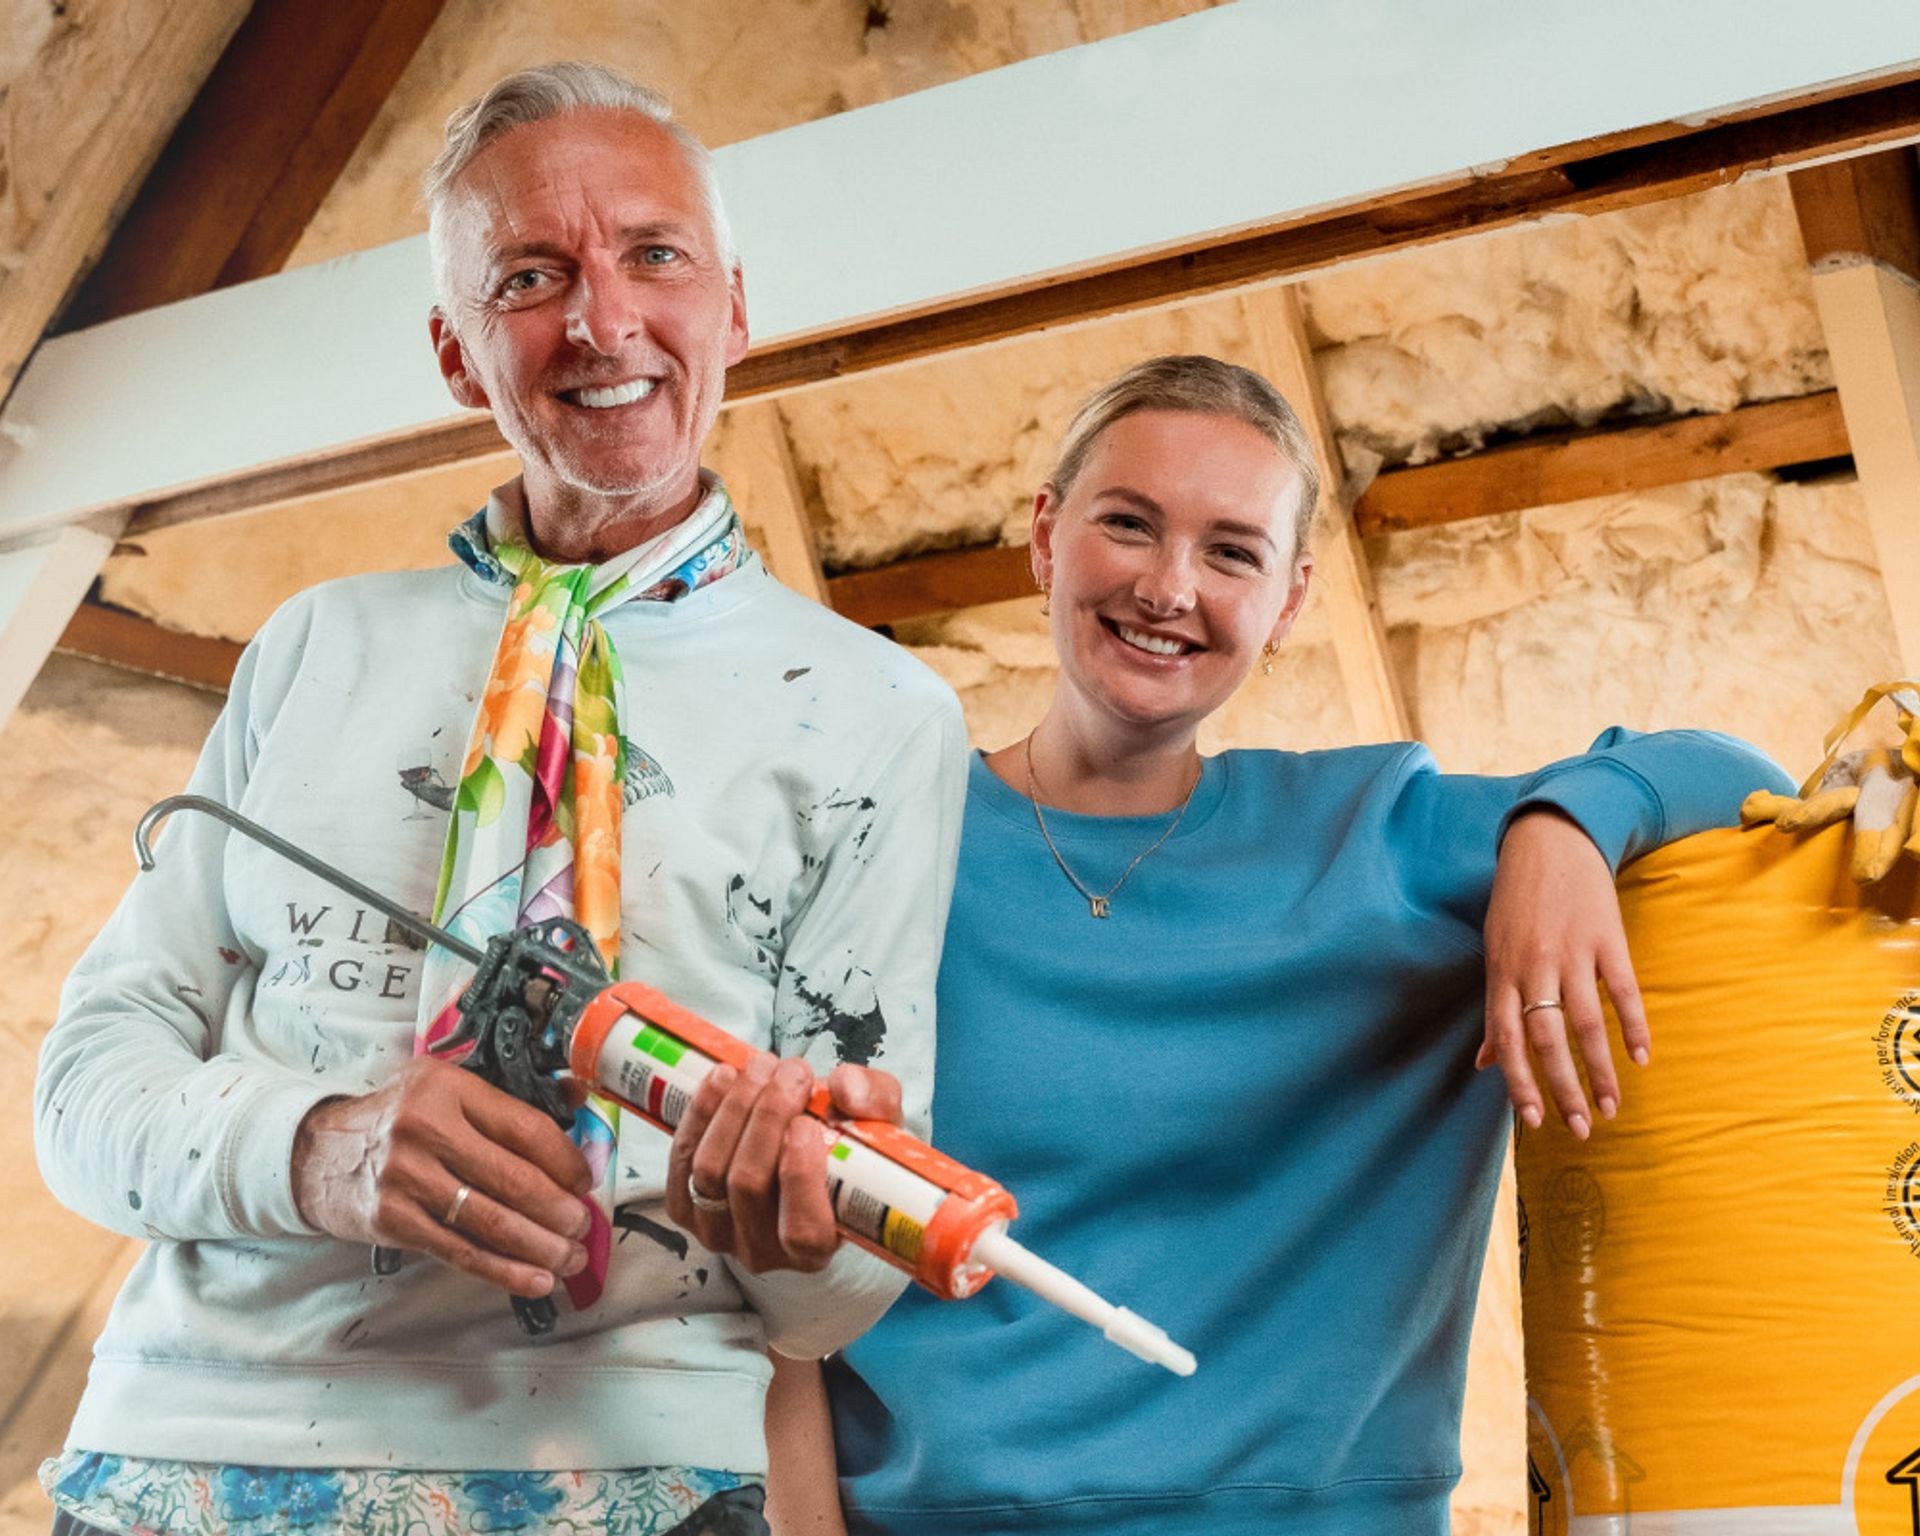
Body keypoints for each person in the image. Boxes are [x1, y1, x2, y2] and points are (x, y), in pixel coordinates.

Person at [33, 64, 965, 1536]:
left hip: (629, 1479)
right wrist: (321, 1149)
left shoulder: (878, 715)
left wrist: (782, 1222)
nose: (602, 321)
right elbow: (81, 1101)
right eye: (531, 277)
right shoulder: (313, 646)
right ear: (460, 354)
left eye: (653, 256)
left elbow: (836, 1304)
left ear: (733, 304)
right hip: (186, 1456)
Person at [769, 356, 1795, 1536]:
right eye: (1129, 526)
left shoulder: (1382, 841)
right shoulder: (869, 852)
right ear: (1046, 537)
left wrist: (1566, 825)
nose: (1169, 587)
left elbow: (1747, 780)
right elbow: (764, 1281)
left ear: (1293, 597)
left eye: (1231, 552)